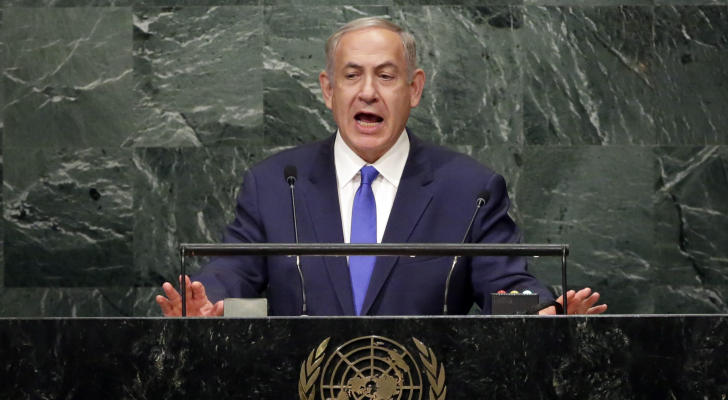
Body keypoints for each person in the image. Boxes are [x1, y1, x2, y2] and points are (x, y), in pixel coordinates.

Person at [157, 17, 607, 317]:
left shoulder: (470, 189)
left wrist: (539, 312)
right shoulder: (275, 184)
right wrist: (207, 300)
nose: (368, 92)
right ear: (328, 90)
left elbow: (505, 287)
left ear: (414, 89)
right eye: (352, 75)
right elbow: (234, 272)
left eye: (386, 76)